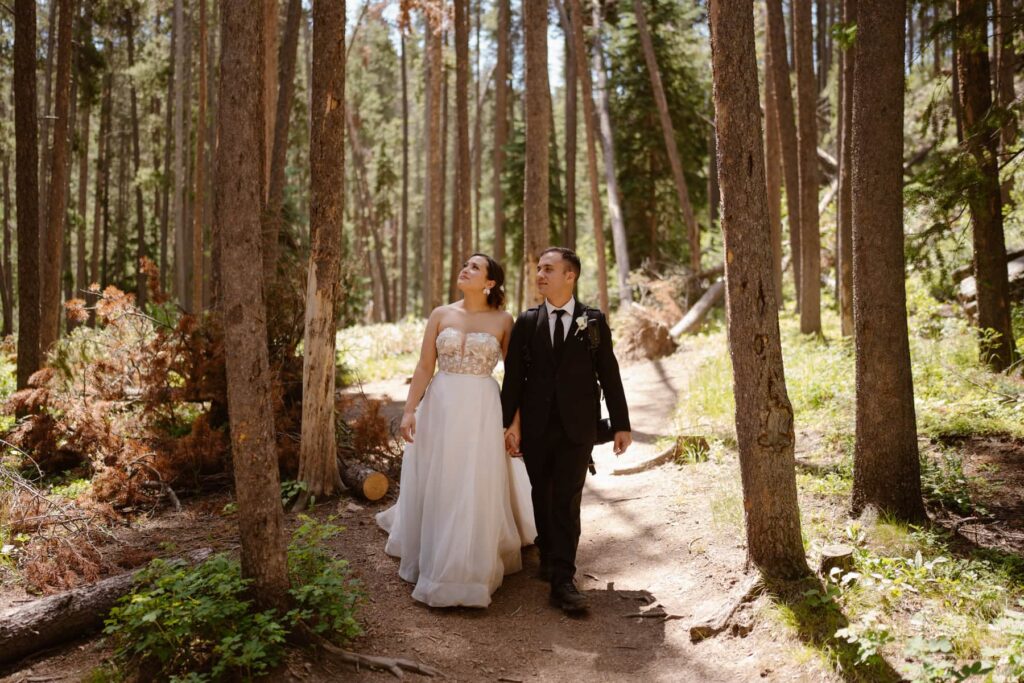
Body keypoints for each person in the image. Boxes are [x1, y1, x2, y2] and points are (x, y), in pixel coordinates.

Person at [376, 254, 536, 608]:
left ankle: (469, 569)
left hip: (481, 406)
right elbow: (423, 366)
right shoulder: (441, 314)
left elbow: (514, 378)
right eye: (464, 264)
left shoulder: (504, 320)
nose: (465, 269)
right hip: (441, 404)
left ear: (490, 282)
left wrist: (515, 423)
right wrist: (409, 410)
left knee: (473, 481)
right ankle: (433, 554)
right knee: (443, 477)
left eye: (475, 267)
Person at [501, 247, 632, 614]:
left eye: (548, 269)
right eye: (538, 268)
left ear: (569, 275)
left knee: (567, 500)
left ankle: (563, 579)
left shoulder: (592, 321)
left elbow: (610, 373)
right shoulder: (527, 323)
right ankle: (547, 553)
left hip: (578, 428)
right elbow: (513, 379)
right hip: (537, 427)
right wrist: (505, 425)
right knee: (541, 495)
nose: (540, 275)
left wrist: (621, 423)